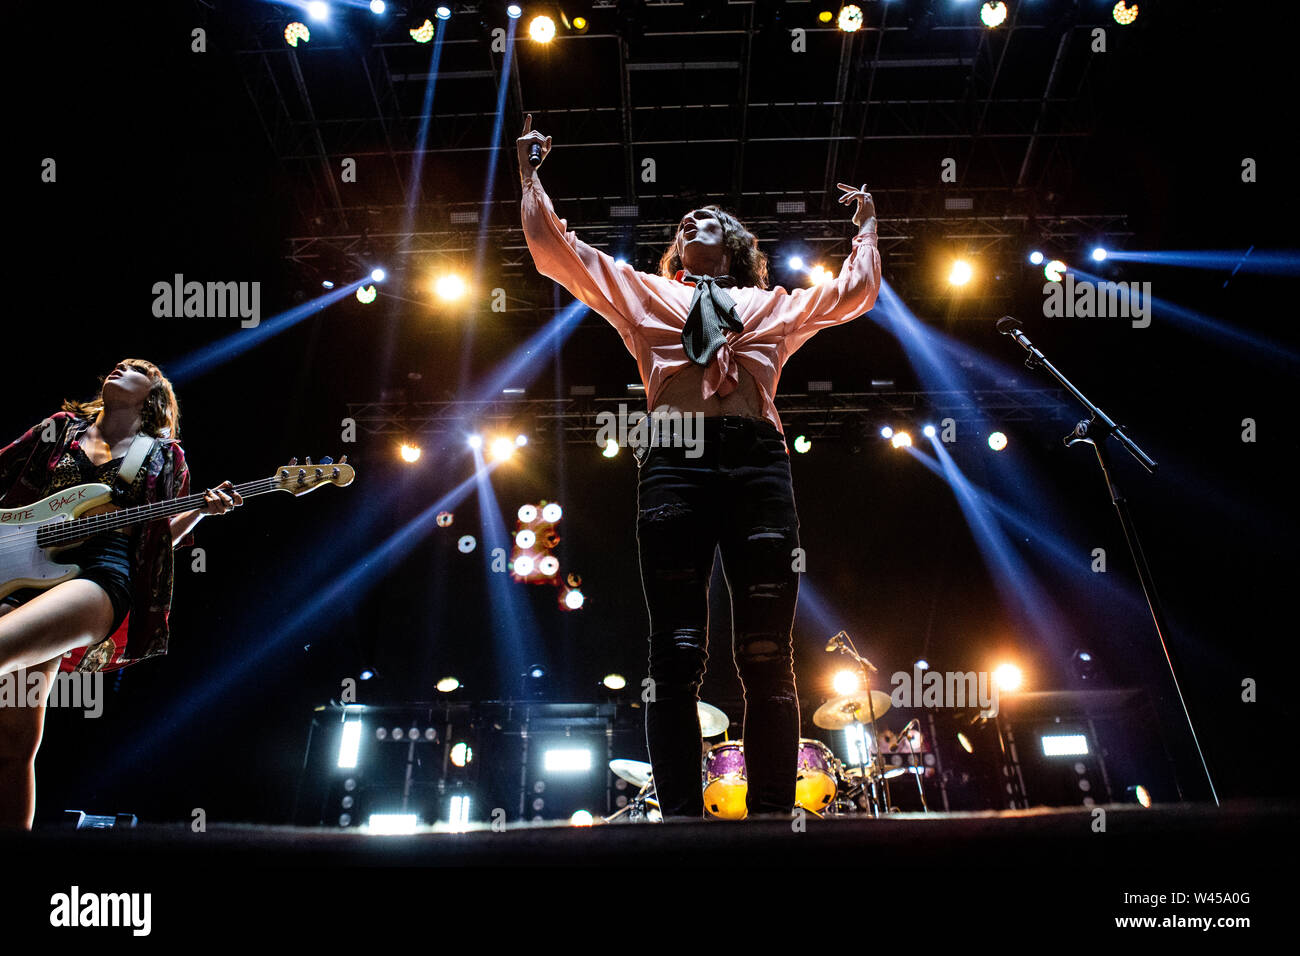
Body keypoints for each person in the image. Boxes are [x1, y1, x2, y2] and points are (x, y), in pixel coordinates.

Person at [518, 114, 881, 818]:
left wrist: (866, 225)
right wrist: (529, 176)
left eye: (710, 217)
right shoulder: (644, 294)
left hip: (756, 461)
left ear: (740, 245)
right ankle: (681, 823)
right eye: (685, 221)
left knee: (767, 652)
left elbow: (853, 294)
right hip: (675, 458)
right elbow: (556, 252)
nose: (693, 220)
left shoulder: (773, 304)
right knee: (676, 655)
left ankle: (774, 815)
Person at [0, 359, 242, 828]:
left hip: (100, 575)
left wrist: (202, 512)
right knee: (12, 745)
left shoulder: (163, 454)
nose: (122, 366)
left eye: (139, 368)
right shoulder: (60, 428)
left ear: (154, 394)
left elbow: (157, 541)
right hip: (23, 568)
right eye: (120, 363)